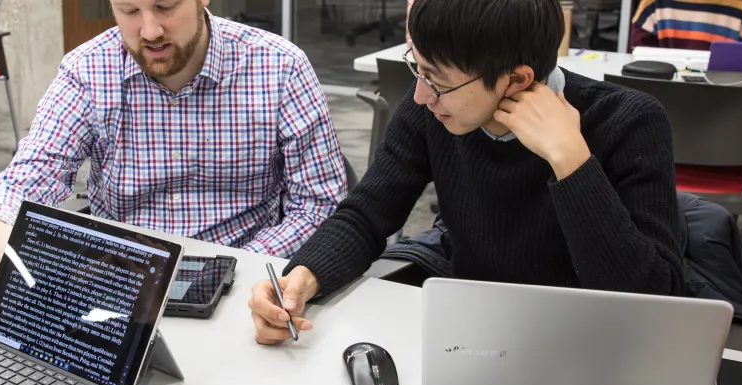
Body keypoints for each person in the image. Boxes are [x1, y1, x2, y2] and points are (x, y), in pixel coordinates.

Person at [249, 0, 687, 344]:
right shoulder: (434, 112)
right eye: (416, 68)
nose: (421, 95)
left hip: (590, 344)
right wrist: (303, 279)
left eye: (436, 80)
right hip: (473, 333)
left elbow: (650, 302)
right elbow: (367, 215)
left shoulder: (629, 121)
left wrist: (570, 160)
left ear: (516, 80)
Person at [0, 0, 346, 283]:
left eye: (165, 6)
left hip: (248, 280)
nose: (149, 31)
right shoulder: (88, 71)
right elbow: (26, 179)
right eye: (129, 10)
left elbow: (319, 206)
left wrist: (232, 271)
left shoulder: (279, 67)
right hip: (123, 285)